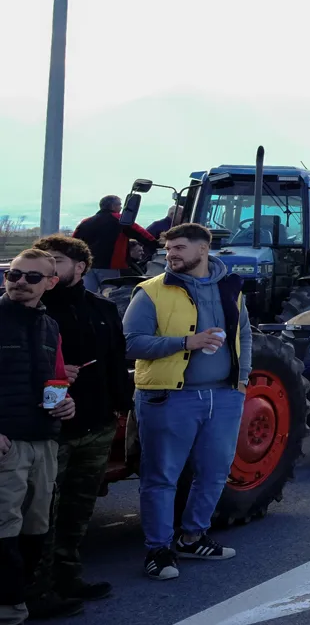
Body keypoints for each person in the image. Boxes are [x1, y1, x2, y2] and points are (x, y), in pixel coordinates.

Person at [122, 224, 248, 580]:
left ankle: (192, 537)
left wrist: (242, 381)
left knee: (214, 473)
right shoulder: (150, 292)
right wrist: (186, 342)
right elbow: (131, 344)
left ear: (203, 249)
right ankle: (158, 549)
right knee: (162, 477)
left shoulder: (232, 288)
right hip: (169, 396)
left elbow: (245, 337)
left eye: (178, 247)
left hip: (223, 396)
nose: (170, 254)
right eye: (169, 248)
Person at [27, 237, 128, 609]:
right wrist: (51, 372)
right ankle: (37, 589)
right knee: (42, 514)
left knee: (78, 509)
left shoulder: (102, 308)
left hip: (97, 423)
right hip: (53, 429)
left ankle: (69, 578)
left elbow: (117, 356)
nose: (50, 269)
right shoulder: (35, 309)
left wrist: (121, 404)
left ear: (80, 266)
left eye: (57, 261)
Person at [0, 250, 81, 622]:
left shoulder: (50, 326)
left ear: (50, 283)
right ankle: (10, 611)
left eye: (32, 277)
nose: (19, 282)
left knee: (35, 530)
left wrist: (67, 405)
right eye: (13, 275)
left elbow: (58, 378)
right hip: (7, 445)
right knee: (4, 532)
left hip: (44, 441)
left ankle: (22, 599)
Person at [70, 196, 155, 292]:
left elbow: (73, 243)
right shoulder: (121, 219)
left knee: (87, 294)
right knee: (110, 294)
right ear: (113, 206)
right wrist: (156, 244)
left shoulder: (86, 222)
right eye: (120, 205)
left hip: (87, 265)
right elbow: (141, 233)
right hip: (110, 265)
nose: (121, 208)